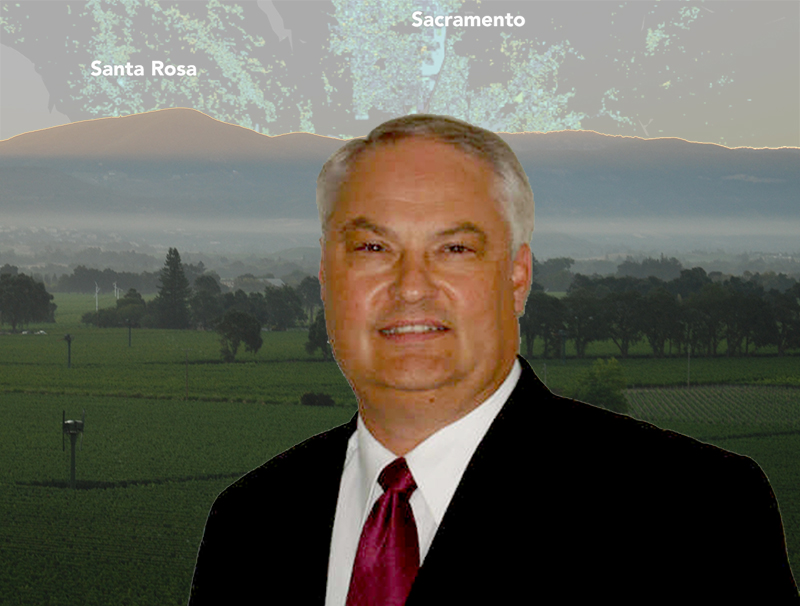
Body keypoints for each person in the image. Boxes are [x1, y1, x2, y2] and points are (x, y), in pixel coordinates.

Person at [188, 115, 798, 604]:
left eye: (454, 248)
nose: (411, 286)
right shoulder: (249, 523)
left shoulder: (694, 513)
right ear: (326, 279)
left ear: (516, 278)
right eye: (373, 247)